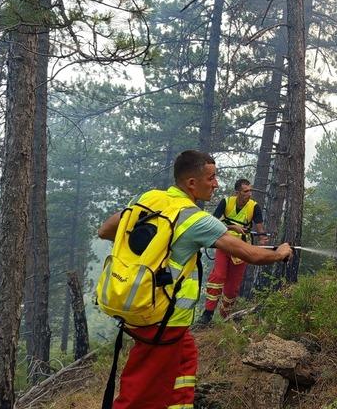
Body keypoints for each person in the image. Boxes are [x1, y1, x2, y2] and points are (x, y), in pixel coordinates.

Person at [97, 150, 292, 409]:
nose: (216, 184)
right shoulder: (195, 219)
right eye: (211, 178)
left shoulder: (150, 199)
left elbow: (106, 230)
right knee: (141, 392)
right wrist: (279, 254)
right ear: (191, 183)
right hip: (162, 317)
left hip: (143, 303)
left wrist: (154, 249)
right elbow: (249, 254)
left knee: (185, 356)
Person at [198, 178, 268, 324]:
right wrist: (231, 228)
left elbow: (260, 228)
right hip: (224, 244)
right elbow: (213, 222)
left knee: (232, 288)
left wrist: (262, 240)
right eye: (246, 191)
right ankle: (207, 314)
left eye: (250, 191)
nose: (249, 194)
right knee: (218, 276)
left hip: (241, 249)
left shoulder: (254, 207)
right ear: (237, 193)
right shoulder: (226, 202)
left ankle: (225, 318)